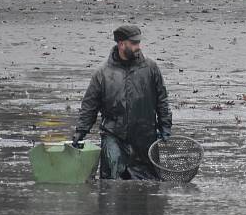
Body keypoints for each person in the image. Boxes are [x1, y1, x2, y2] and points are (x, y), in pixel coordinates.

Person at [72, 25, 172, 180]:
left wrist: (165, 126)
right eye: (133, 43)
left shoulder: (151, 68)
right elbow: (89, 107)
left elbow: (162, 100)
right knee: (111, 187)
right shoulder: (102, 74)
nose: (138, 47)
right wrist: (80, 133)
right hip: (113, 137)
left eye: (138, 43)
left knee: (148, 189)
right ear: (121, 44)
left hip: (145, 140)